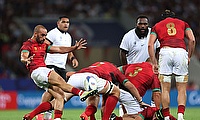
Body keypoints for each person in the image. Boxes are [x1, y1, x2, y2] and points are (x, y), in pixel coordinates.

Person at [20, 25, 97, 120]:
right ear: (35, 34)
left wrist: (74, 48)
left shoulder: (44, 45)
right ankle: (81, 93)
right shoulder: (28, 44)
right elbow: (23, 56)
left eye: (45, 35)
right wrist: (26, 60)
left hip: (41, 74)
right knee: (61, 81)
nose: (44, 38)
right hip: (38, 71)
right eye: (42, 35)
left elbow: (60, 49)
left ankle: (52, 118)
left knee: (60, 95)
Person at [148, 10, 196, 120]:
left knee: (165, 89)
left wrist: (154, 62)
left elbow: (150, 45)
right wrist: (189, 56)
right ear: (174, 17)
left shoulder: (157, 26)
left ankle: (166, 117)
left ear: (163, 18)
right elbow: (192, 40)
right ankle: (180, 116)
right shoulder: (183, 23)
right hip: (181, 52)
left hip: (165, 52)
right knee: (182, 88)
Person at [72, 61, 149, 120]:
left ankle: (87, 115)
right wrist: (140, 101)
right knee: (115, 92)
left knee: (94, 95)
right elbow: (130, 85)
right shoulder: (115, 71)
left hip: (79, 76)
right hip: (94, 78)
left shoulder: (99, 64)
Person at [36, 15, 79, 120]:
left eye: (68, 22)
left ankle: (47, 113)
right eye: (63, 22)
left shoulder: (68, 36)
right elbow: (44, 47)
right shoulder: (52, 34)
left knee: (59, 91)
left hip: (61, 67)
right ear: (58, 23)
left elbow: (68, 49)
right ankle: (40, 113)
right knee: (51, 90)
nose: (66, 24)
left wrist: (73, 58)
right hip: (51, 64)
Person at [119, 15, 160, 117]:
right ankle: (124, 111)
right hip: (133, 71)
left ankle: (154, 108)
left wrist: (156, 62)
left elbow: (158, 49)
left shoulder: (153, 34)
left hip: (149, 69)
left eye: (145, 24)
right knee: (128, 94)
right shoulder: (129, 36)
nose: (142, 26)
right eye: (140, 24)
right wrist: (126, 68)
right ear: (136, 24)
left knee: (158, 88)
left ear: (148, 25)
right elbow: (122, 52)